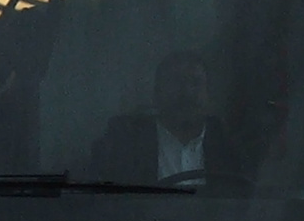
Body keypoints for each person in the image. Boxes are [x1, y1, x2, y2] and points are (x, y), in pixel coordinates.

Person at [84, 50, 246, 186]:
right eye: (176, 82)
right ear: (156, 93)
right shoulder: (120, 146)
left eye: (195, 83)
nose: (187, 93)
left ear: (209, 96)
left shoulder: (232, 149)